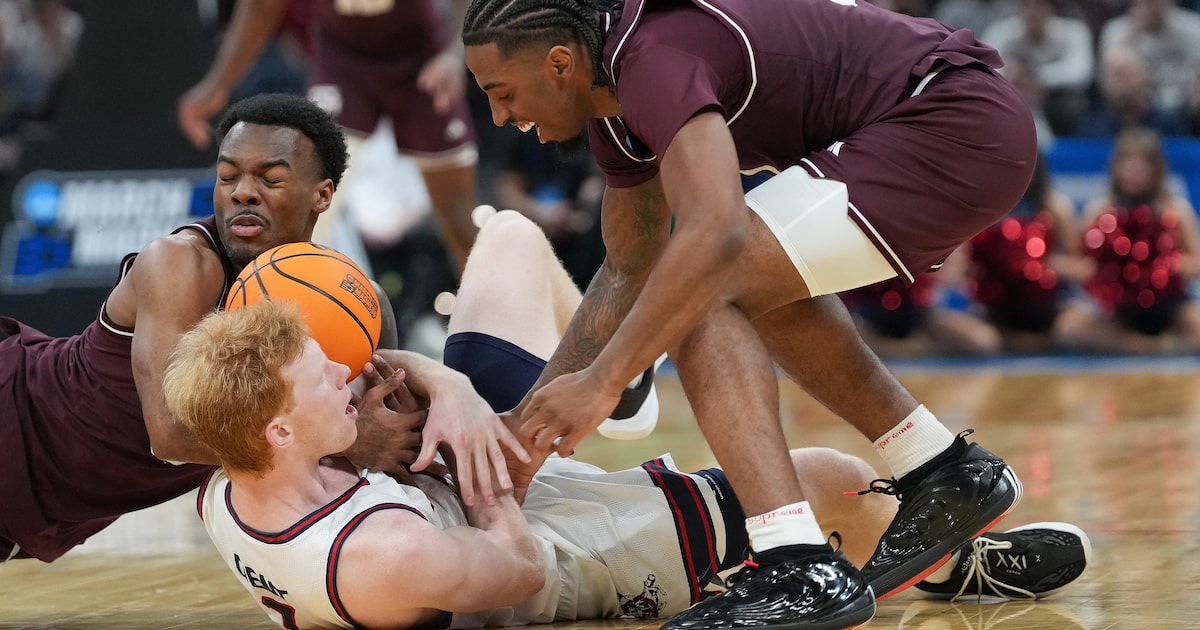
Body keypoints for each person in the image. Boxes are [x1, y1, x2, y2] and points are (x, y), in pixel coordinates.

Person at [164, 210, 1091, 629]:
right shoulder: (380, 557)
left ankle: (620, 382)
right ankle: (956, 566)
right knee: (823, 481)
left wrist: (449, 396)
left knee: (511, 238)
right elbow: (519, 563)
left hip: (455, 495)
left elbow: (365, 393)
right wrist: (486, 462)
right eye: (322, 382)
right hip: (553, 551)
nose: (348, 372)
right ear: (281, 430)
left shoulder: (232, 479)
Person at [461, 1, 1037, 627]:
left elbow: (713, 235)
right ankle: (939, 465)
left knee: (701, 290)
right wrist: (523, 442)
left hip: (952, 122)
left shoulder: (652, 60)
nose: (500, 115)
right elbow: (629, 267)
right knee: (715, 284)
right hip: (938, 125)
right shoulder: (615, 105)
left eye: (500, 91)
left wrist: (603, 383)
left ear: (559, 64)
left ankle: (799, 562)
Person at [0, 92, 515, 565]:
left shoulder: (358, 303)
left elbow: (391, 438)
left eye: (270, 179)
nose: (244, 193)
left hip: (59, 502)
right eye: (228, 178)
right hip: (15, 417)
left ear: (322, 195)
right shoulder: (180, 264)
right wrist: (349, 442)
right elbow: (170, 435)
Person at [177, 0, 481, 273]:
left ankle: (488, 325)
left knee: (457, 214)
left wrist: (455, 55)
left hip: (422, 57)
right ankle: (276, 314)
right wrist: (219, 82)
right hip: (344, 60)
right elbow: (263, 6)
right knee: (303, 206)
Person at [1057, 127, 1200, 354]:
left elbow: (1196, 263)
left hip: (1170, 305)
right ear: (1116, 167)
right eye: (1128, 161)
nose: (1135, 170)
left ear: (1157, 168)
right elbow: (1080, 266)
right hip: (1117, 309)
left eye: (1143, 162)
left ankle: (1160, 344)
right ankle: (1148, 346)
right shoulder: (1100, 211)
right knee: (1070, 328)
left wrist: (1165, 262)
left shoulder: (1175, 210)